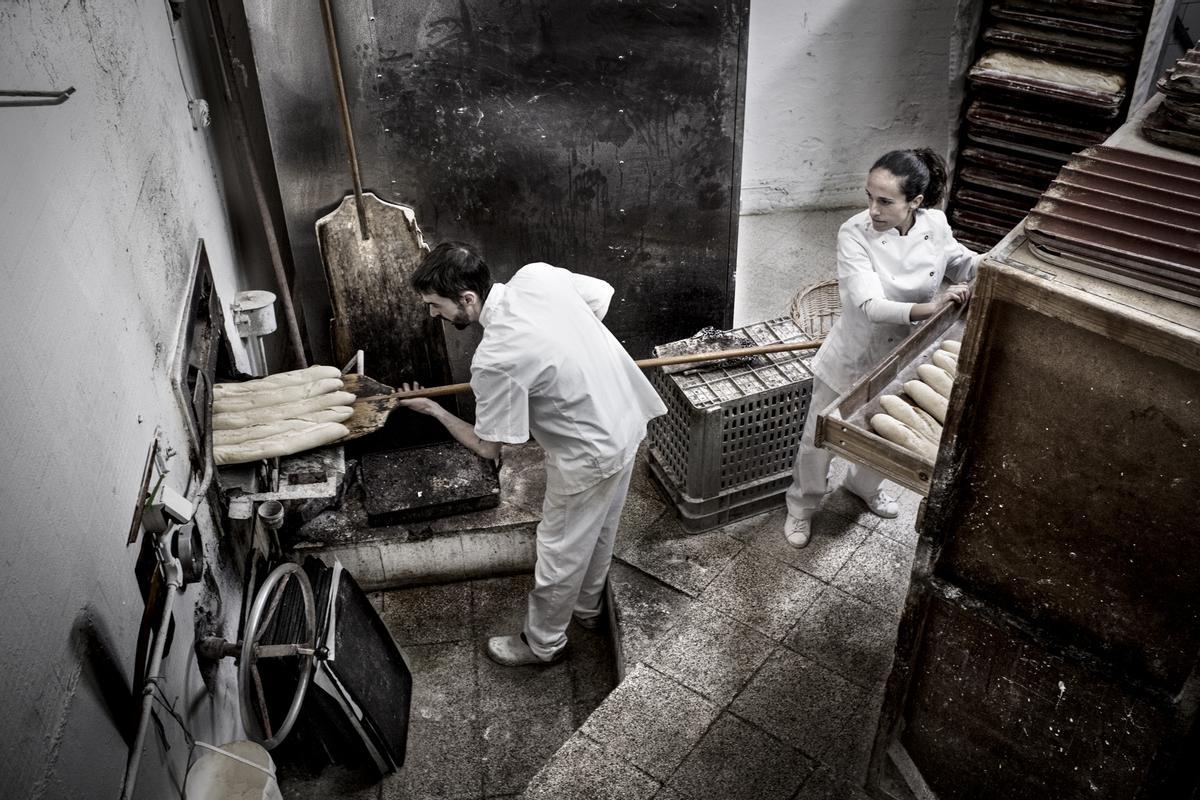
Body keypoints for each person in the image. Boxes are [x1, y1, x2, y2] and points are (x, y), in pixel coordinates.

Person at [399, 242, 667, 665]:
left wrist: (434, 411)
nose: (434, 314)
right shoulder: (536, 275)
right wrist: (567, 352)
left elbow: (489, 446)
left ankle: (542, 644)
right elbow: (602, 295)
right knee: (599, 529)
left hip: (589, 453)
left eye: (436, 305)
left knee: (559, 550)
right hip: (627, 418)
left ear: (468, 299)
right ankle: (588, 608)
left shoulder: (495, 359)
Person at [783, 148, 983, 548]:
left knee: (881, 433)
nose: (872, 209)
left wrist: (995, 270)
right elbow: (872, 306)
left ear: (916, 202)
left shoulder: (936, 225)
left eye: (885, 201)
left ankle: (863, 487)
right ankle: (801, 507)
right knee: (817, 439)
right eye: (869, 197)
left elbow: (962, 263)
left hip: (902, 356)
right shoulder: (853, 233)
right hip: (854, 354)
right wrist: (935, 307)